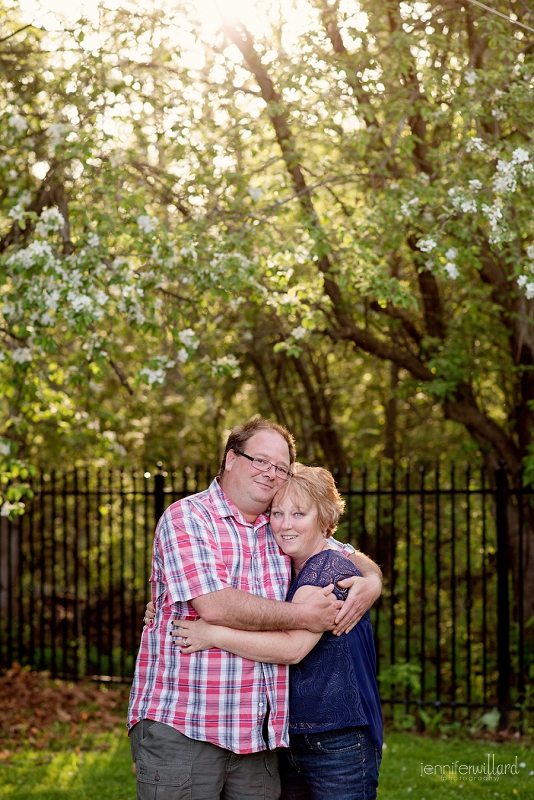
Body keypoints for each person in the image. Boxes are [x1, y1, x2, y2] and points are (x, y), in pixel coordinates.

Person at [128, 417, 382, 800]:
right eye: (259, 460)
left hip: (258, 739)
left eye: (280, 467)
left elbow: (335, 551)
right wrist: (304, 615)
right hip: (186, 725)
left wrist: (372, 580)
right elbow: (214, 604)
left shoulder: (275, 525)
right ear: (231, 458)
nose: (270, 473)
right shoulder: (189, 517)